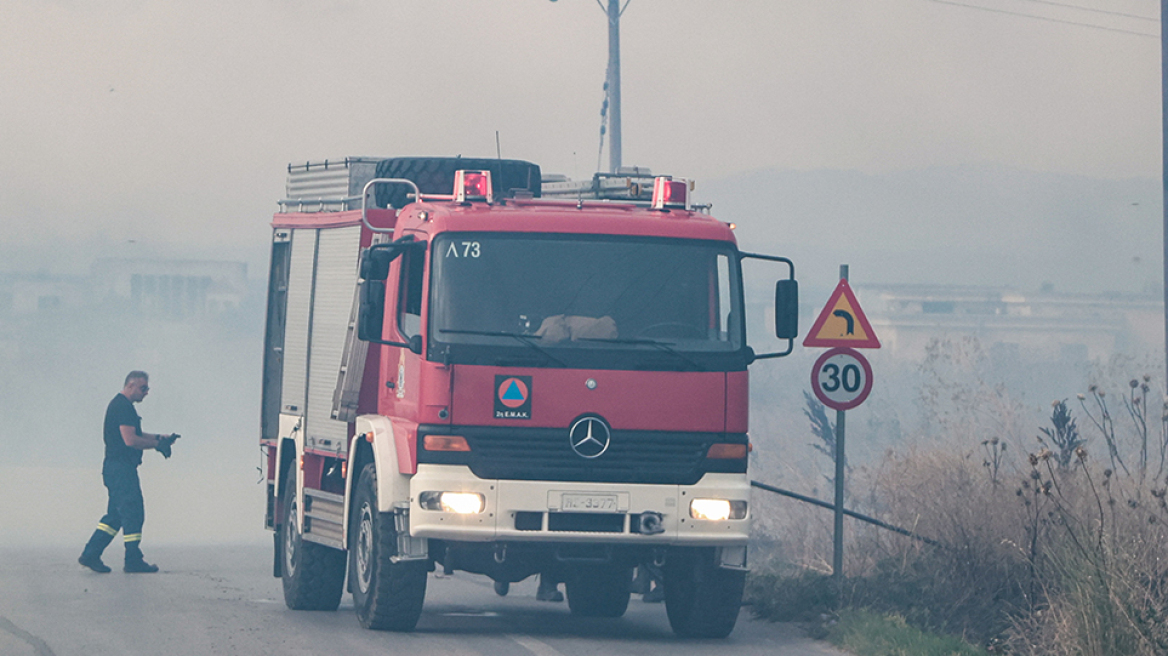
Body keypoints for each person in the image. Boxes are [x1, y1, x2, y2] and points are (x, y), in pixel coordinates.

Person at [78, 371, 179, 574]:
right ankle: (133, 560)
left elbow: (137, 434)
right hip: (120, 469)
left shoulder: (122, 406)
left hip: (116, 468)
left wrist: (160, 437)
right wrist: (157, 445)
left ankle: (91, 554)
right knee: (133, 513)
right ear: (130, 385)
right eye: (143, 388)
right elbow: (130, 440)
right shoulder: (123, 407)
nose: (146, 392)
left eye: (148, 388)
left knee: (115, 516)